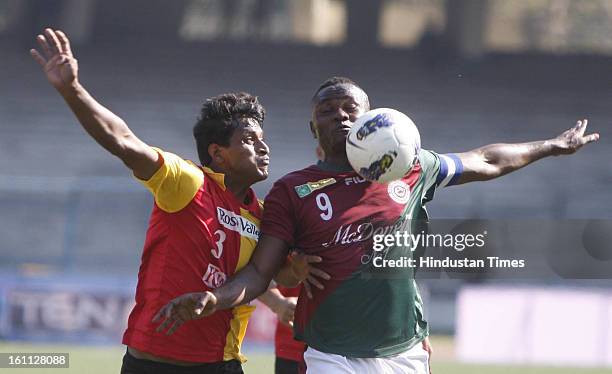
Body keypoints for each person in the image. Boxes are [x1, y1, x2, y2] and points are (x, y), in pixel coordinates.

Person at [153, 76, 599, 374]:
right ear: (313, 127)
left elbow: (485, 159)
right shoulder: (292, 190)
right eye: (329, 110)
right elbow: (258, 273)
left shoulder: (410, 168)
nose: (341, 116)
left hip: (402, 351)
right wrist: (214, 299)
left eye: (351, 108)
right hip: (330, 353)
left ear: (369, 117)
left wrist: (551, 146)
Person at [29, 28, 323, 374]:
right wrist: (72, 89)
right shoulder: (188, 182)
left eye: (263, 139)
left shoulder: (261, 216)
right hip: (152, 363)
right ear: (218, 153)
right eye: (249, 139)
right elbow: (124, 141)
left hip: (221, 364)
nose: (264, 148)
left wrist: (295, 271)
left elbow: (265, 274)